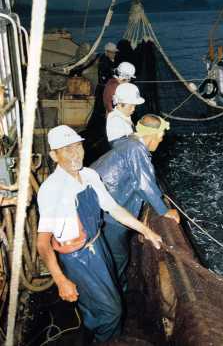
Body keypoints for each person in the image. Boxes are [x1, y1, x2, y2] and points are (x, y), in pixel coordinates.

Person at [36, 125, 163, 343]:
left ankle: (91, 327)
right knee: (112, 311)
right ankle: (104, 341)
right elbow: (42, 243)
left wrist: (146, 230)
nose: (75, 153)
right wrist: (61, 280)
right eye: (67, 149)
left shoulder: (90, 175)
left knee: (100, 302)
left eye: (78, 146)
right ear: (53, 155)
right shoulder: (52, 189)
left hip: (98, 243)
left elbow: (113, 208)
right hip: (78, 257)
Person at [92, 114, 179, 290]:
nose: (161, 140)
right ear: (152, 135)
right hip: (108, 214)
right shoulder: (137, 150)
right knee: (118, 256)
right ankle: (116, 292)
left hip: (100, 207)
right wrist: (164, 210)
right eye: (161, 135)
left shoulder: (128, 141)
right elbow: (145, 184)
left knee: (113, 253)